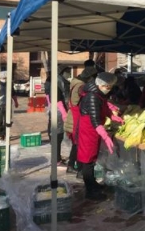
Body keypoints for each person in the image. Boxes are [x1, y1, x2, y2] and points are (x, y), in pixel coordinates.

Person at [77, 72, 117, 201]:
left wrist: (112, 116)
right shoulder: (92, 96)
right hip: (88, 130)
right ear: (101, 85)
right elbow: (94, 119)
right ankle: (90, 192)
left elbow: (103, 108)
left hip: (93, 131)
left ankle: (93, 184)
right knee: (87, 161)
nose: (109, 89)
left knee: (92, 159)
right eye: (107, 86)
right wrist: (105, 136)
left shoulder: (98, 94)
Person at [64, 66, 98, 177]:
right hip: (76, 118)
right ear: (90, 77)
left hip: (73, 116)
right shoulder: (81, 86)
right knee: (79, 145)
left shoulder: (75, 82)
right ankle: (79, 170)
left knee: (76, 144)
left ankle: (71, 166)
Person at [45, 65, 71, 166]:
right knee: (57, 136)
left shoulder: (61, 80)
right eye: (67, 71)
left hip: (60, 111)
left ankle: (57, 158)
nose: (68, 73)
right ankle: (56, 160)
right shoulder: (57, 81)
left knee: (58, 136)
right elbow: (57, 99)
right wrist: (64, 113)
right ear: (62, 72)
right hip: (58, 112)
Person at [0, 71, 19, 140]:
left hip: (8, 105)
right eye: (3, 77)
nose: (4, 79)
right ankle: (0, 135)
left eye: (5, 77)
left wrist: (16, 102)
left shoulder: (10, 84)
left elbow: (13, 94)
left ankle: (6, 133)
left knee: (8, 121)